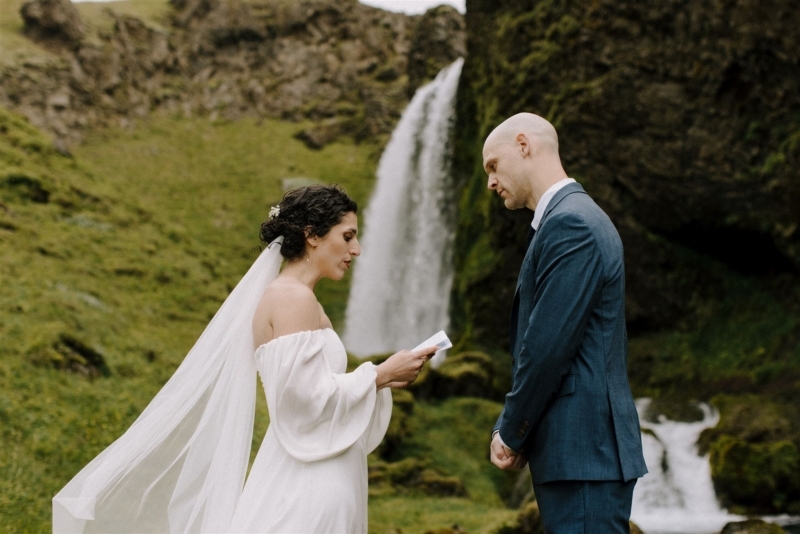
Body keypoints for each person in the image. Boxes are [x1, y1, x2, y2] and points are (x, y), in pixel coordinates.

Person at [53, 184, 436, 533]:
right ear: (312, 235)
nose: (357, 250)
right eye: (348, 237)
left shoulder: (297, 297)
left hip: (317, 466)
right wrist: (378, 375)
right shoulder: (291, 298)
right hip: (307, 481)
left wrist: (380, 378)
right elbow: (300, 402)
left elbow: (309, 392)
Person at [483, 113, 647, 533]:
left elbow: (547, 347)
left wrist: (512, 430)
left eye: (492, 166)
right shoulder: (571, 218)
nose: (490, 182)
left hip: (583, 453)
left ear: (523, 145)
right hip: (581, 454)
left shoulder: (570, 223)